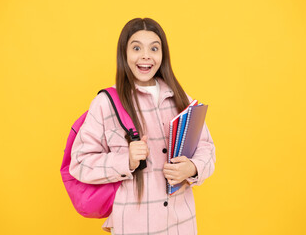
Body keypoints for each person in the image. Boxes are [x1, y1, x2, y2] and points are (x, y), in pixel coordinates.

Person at [69, 18, 216, 235]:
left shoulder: (180, 97)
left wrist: (192, 168)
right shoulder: (106, 103)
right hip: (134, 226)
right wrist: (125, 160)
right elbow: (79, 163)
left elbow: (207, 147)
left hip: (181, 223)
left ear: (162, 55)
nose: (146, 55)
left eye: (154, 48)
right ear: (124, 54)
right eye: (136, 47)